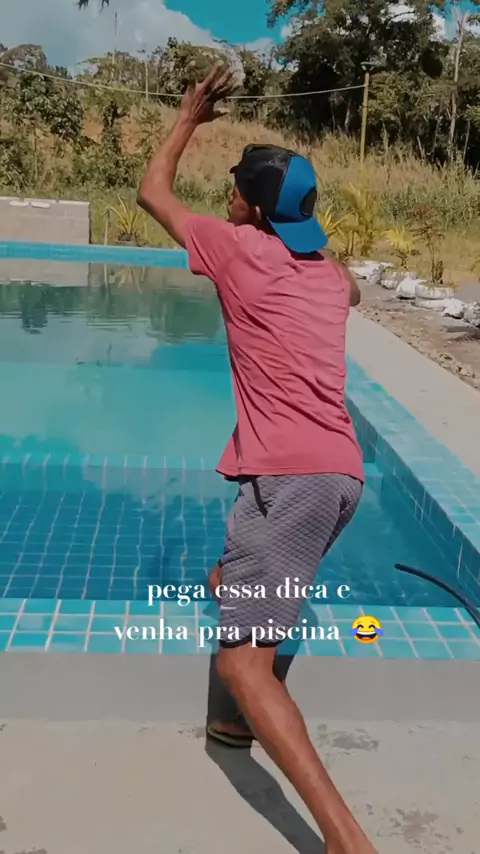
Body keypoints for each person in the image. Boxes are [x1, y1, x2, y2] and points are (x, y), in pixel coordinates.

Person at [138, 64, 376, 854]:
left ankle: (345, 840)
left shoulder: (236, 249)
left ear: (250, 208)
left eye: (236, 190)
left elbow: (153, 192)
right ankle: (235, 725)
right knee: (230, 577)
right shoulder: (329, 278)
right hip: (339, 477)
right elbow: (348, 291)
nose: (228, 198)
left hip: (292, 480)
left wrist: (187, 118)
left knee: (244, 663)